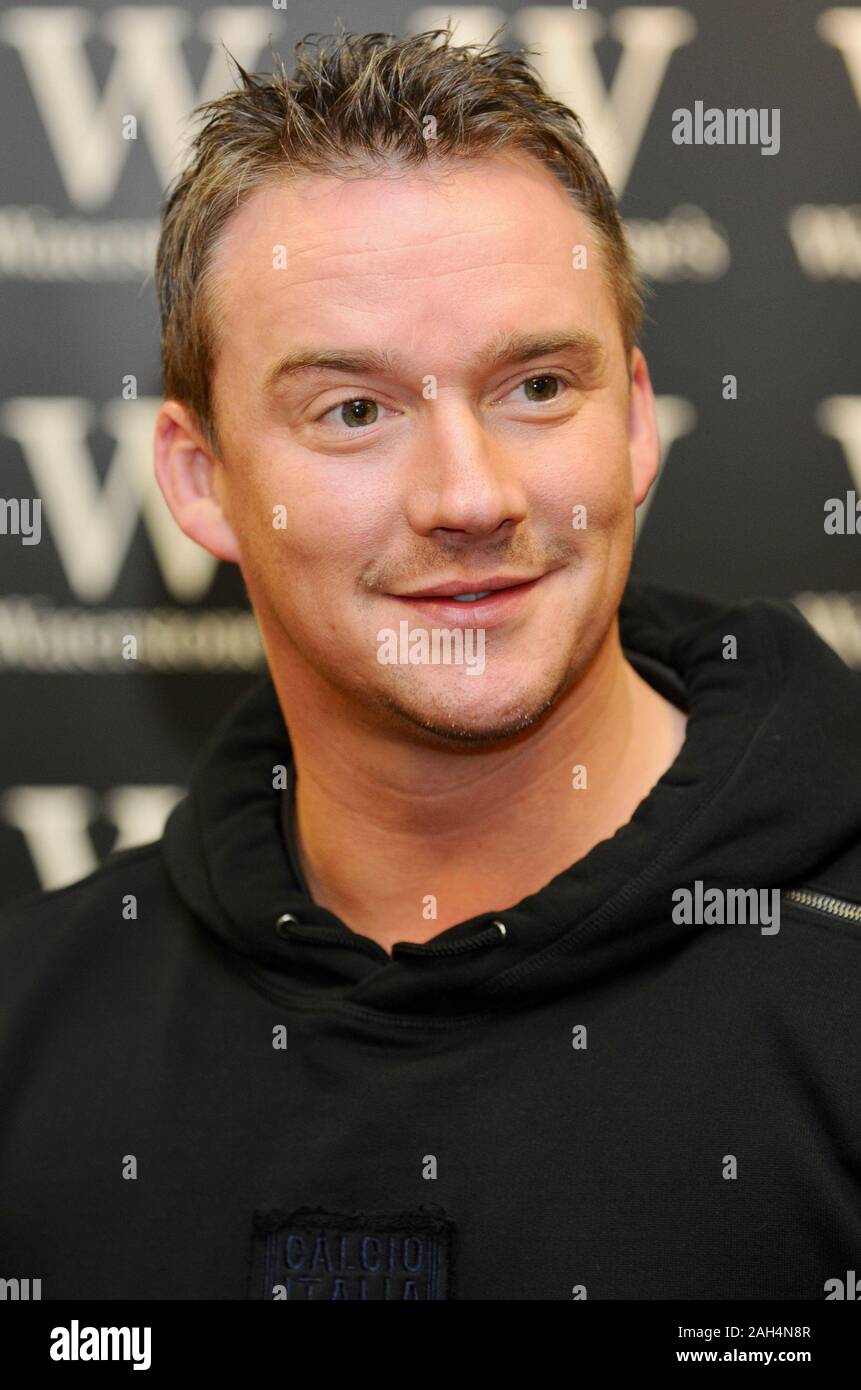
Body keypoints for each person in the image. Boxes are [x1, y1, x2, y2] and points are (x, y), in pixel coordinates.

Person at [1, 25, 860, 1302]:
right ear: (203, 481)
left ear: (633, 421)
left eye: (535, 387)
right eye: (354, 410)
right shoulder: (31, 1024)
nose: (470, 495)